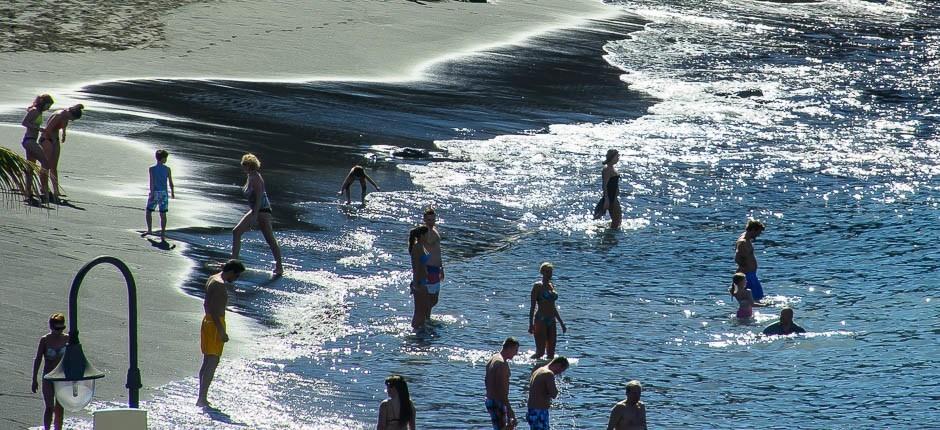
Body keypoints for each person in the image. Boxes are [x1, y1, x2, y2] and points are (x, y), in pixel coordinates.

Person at [196, 259, 245, 407]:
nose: (235, 280)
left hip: (208, 321)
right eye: (236, 276)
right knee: (213, 360)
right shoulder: (219, 285)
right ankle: (202, 397)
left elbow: (206, 304)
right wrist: (222, 332)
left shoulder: (212, 278)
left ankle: (201, 395)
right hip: (215, 324)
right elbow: (217, 312)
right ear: (231, 272)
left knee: (207, 360)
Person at [231, 153, 284, 276]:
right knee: (236, 232)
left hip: (262, 211)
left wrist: (254, 216)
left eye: (245, 165)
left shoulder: (256, 178)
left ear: (249, 165)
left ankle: (279, 267)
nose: (243, 167)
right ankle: (233, 263)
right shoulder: (250, 176)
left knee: (270, 239)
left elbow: (260, 197)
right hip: (256, 209)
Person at [40, 104, 84, 203]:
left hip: (55, 140)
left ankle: (56, 190)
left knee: (54, 167)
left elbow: (63, 125)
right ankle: (44, 187)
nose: (72, 120)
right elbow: (48, 129)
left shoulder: (66, 116)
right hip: (47, 139)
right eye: (72, 118)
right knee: (46, 165)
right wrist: (51, 141)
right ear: (71, 113)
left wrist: (64, 134)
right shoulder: (59, 115)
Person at [31, 313, 68, 430]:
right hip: (48, 377)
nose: (60, 331)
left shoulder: (67, 338)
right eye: (57, 328)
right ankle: (47, 428)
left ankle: (58, 428)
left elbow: (74, 357)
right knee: (49, 407)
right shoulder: (45, 340)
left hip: (62, 378)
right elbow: (38, 359)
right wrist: (34, 379)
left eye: (62, 328)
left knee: (60, 407)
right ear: (51, 327)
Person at [528, 262, 567, 359]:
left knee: (551, 354)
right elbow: (532, 306)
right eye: (548, 272)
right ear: (542, 272)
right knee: (540, 352)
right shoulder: (537, 286)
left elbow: (553, 307)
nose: (550, 274)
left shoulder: (551, 286)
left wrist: (561, 323)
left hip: (552, 320)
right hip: (541, 319)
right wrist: (531, 324)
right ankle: (531, 367)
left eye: (551, 272)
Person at [20, 94, 54, 205]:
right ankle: (43, 188)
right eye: (48, 105)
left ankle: (28, 192)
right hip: (29, 140)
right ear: (44, 103)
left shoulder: (39, 112)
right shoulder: (34, 111)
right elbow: (24, 122)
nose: (48, 108)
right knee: (45, 162)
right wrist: (39, 128)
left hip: (32, 140)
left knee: (30, 167)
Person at [485, 337, 520, 430]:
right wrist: (510, 411)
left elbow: (486, 381)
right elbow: (502, 392)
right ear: (508, 348)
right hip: (497, 401)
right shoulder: (501, 364)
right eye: (515, 350)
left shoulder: (493, 358)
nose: (516, 353)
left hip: (489, 399)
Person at [526, 356, 569, 430]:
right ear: (558, 365)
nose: (559, 373)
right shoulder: (548, 374)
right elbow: (554, 394)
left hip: (532, 410)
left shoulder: (538, 370)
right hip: (540, 411)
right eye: (561, 370)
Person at [144, 149, 176, 242]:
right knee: (163, 213)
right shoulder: (167, 169)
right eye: (165, 158)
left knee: (149, 211)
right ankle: (163, 232)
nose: (166, 160)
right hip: (164, 193)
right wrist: (172, 192)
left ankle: (149, 230)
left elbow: (152, 182)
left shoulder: (152, 169)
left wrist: (152, 192)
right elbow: (170, 182)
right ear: (162, 159)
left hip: (155, 192)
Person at [735, 219, 766, 301]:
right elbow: (737, 259)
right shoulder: (743, 242)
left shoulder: (747, 239)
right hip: (748, 276)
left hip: (752, 274)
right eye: (758, 232)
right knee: (754, 299)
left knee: (758, 297)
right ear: (752, 230)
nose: (758, 235)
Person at [408, 225, 431, 331]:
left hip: (424, 281)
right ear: (421, 236)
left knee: (425, 307)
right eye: (427, 234)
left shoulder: (422, 246)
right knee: (419, 310)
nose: (428, 236)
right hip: (420, 282)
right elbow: (416, 268)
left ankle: (421, 328)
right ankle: (416, 330)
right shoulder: (417, 248)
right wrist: (416, 284)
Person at [423, 207, 444, 316]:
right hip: (429, 268)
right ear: (425, 220)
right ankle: (425, 318)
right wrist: (423, 268)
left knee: (434, 300)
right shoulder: (425, 233)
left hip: (436, 268)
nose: (431, 222)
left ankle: (426, 317)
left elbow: (438, 250)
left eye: (433, 220)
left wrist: (441, 268)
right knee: (429, 299)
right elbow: (422, 251)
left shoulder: (434, 230)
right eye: (429, 220)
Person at [593, 149, 622, 229]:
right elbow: (604, 185)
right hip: (610, 198)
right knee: (617, 221)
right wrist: (606, 199)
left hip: (614, 197)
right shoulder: (607, 169)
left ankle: (608, 232)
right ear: (612, 157)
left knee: (617, 220)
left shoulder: (612, 168)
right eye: (617, 156)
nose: (618, 158)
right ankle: (609, 237)